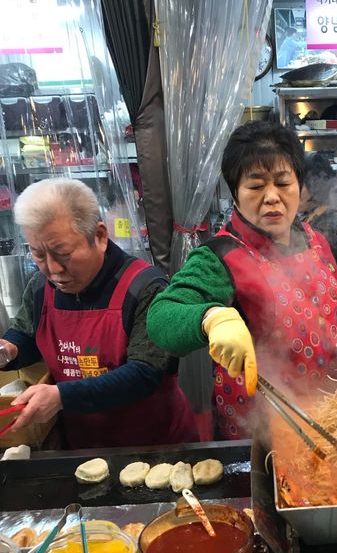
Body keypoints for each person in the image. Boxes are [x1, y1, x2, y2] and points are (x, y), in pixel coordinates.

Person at [147, 120, 337, 439]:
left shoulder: (315, 240)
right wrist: (212, 318)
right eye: (256, 186)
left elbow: (325, 301)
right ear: (235, 193)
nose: (272, 196)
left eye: (283, 182)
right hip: (260, 435)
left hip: (334, 423)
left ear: (300, 187)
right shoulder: (221, 257)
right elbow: (161, 316)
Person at [0, 178, 197, 449]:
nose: (53, 269)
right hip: (81, 446)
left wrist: (61, 397)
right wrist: (9, 350)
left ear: (100, 236)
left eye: (63, 253)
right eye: (38, 254)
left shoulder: (145, 288)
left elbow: (144, 373)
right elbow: (27, 334)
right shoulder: (40, 287)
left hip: (155, 445)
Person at [298, 153, 337, 296]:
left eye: (299, 184)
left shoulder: (327, 227)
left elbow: (327, 281)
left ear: (316, 188)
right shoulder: (312, 217)